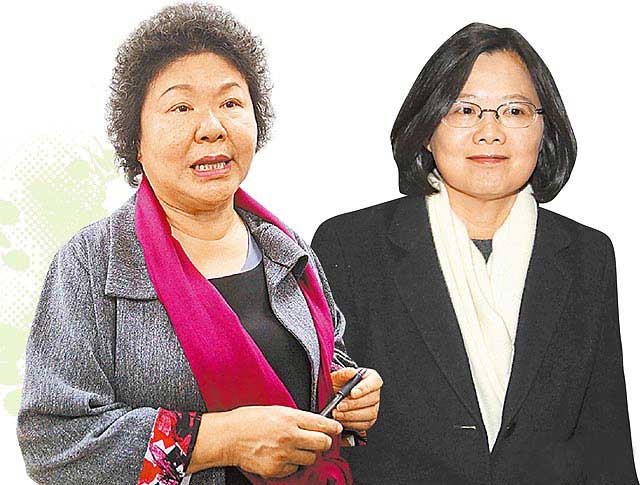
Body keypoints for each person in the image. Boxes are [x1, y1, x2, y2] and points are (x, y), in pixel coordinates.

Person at [16, 4, 382, 484]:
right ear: (136, 138)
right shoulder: (90, 264)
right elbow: (54, 443)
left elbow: (328, 354)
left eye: (230, 103)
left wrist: (348, 391)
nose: (212, 127)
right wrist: (221, 440)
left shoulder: (285, 247)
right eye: (181, 107)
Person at [312, 22, 638, 484]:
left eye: (514, 111)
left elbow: (606, 441)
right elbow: (324, 433)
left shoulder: (588, 255)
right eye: (465, 110)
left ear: (544, 129)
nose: (490, 132)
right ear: (427, 129)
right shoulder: (350, 245)